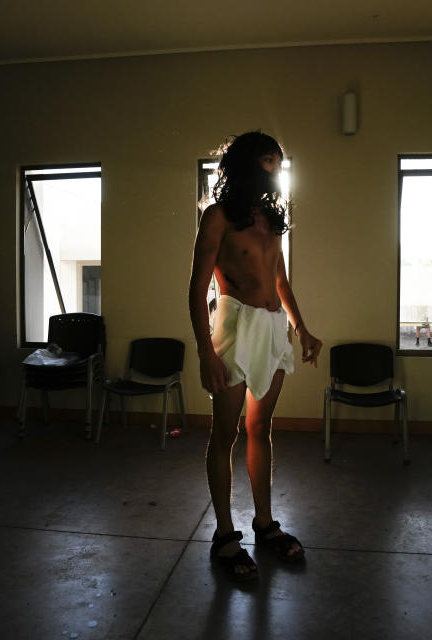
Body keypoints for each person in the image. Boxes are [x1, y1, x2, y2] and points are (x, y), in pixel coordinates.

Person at [188, 131, 322, 582]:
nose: (275, 169)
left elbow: (281, 282)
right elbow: (195, 289)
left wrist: (302, 329)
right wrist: (205, 351)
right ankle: (225, 535)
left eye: (279, 162)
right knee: (223, 433)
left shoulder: (271, 218)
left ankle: (263, 524)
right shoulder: (217, 217)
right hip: (233, 325)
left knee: (260, 428)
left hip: (270, 328)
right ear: (248, 163)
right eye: (268, 160)